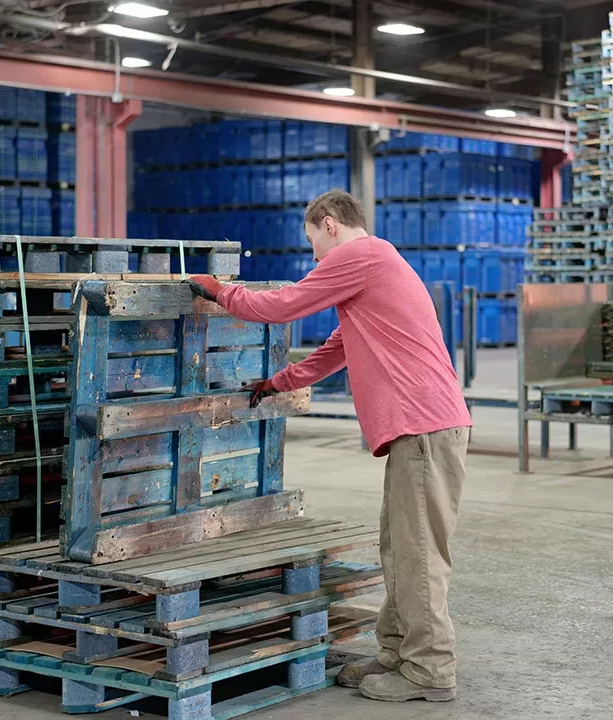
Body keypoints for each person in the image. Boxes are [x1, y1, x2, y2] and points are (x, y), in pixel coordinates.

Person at [187, 188, 472, 703]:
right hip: (422, 429)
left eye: (313, 241)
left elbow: (284, 304)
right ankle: (396, 652)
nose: (314, 255)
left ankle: (430, 669)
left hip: (426, 427)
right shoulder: (377, 268)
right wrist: (279, 382)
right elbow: (336, 350)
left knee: (419, 554)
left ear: (330, 223)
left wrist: (218, 291)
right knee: (399, 546)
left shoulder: (362, 256)